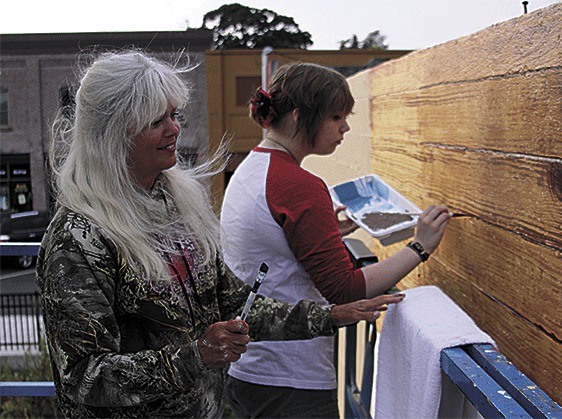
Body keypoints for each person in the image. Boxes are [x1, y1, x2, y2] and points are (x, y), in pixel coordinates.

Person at [35, 50, 405, 418]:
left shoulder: (175, 206)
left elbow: (233, 303)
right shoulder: (77, 240)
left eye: (174, 114)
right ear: (112, 133)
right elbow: (83, 377)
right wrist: (196, 354)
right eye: (156, 121)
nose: (174, 128)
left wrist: (328, 317)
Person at [220, 62, 451, 418]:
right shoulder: (299, 185)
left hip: (249, 369)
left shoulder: (252, 168)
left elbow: (273, 248)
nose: (345, 127)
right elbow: (345, 290)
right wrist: (420, 246)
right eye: (336, 116)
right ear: (299, 117)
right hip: (292, 381)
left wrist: (324, 234)